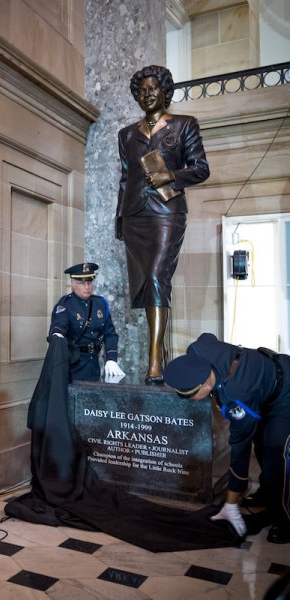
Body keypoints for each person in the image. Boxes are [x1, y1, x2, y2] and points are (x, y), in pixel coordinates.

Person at [116, 65, 210, 384]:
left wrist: (171, 175)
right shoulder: (127, 134)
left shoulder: (184, 125)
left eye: (153, 88)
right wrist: (119, 217)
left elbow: (200, 169)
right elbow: (125, 178)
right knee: (145, 284)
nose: (148, 93)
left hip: (167, 211)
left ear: (165, 91)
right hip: (134, 216)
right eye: (142, 90)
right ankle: (160, 352)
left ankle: (154, 360)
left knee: (157, 276)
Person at [163, 333, 290, 544]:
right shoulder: (196, 351)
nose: (192, 401)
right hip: (264, 382)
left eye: (192, 397)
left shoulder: (236, 398)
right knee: (261, 443)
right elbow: (207, 337)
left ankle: (285, 519)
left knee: (276, 451)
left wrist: (231, 503)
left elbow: (240, 449)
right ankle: (268, 492)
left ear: (205, 387)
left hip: (285, 392)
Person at [49, 263, 124, 382]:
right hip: (73, 366)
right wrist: (57, 335)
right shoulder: (65, 304)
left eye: (89, 282)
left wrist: (111, 359)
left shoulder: (101, 304)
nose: (87, 286)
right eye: (82, 283)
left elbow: (110, 334)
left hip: (94, 364)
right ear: (73, 284)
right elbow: (59, 325)